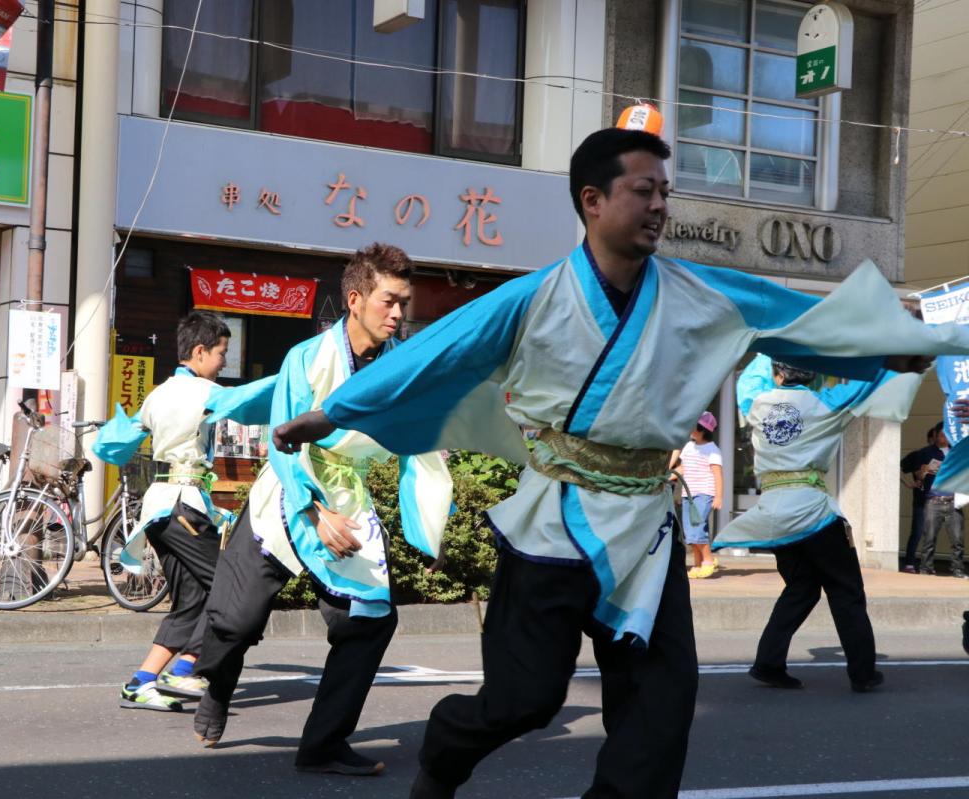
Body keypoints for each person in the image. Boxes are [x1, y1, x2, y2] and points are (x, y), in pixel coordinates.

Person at [270, 126, 963, 799]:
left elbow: (796, 320)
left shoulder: (704, 293)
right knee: (524, 699)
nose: (660, 205)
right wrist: (328, 414)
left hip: (645, 528)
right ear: (593, 200)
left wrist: (890, 346)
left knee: (661, 709)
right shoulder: (532, 297)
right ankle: (446, 750)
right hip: (553, 520)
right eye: (643, 190)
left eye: (665, 192)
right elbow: (431, 355)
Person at [191, 244, 454, 776]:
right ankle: (218, 685)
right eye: (388, 301)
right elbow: (283, 441)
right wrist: (312, 512)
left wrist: (428, 530)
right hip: (286, 494)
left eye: (403, 303)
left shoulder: (402, 368)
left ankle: (323, 744)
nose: (398, 314)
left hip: (346, 496)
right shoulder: (307, 358)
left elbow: (420, 447)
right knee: (234, 624)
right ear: (355, 300)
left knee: (370, 620)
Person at [712, 355, 923, 692]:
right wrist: (900, 356)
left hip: (774, 513)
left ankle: (768, 663)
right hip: (813, 512)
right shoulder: (827, 403)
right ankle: (862, 673)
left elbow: (749, 380)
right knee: (846, 591)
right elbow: (867, 384)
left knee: (802, 587)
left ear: (778, 373)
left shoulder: (756, 402)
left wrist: (772, 348)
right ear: (813, 376)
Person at [118, 311, 275, 712]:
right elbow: (253, 401)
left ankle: (141, 683)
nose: (224, 362)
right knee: (230, 587)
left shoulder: (157, 394)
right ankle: (186, 668)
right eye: (221, 353)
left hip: (160, 507)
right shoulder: (204, 392)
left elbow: (115, 441)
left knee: (191, 599)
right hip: (183, 505)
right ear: (200, 351)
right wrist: (302, 384)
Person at [671, 412, 723, 579]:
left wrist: (718, 497)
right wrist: (667, 477)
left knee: (698, 529)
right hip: (688, 494)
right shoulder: (688, 447)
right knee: (690, 532)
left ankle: (708, 561)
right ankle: (697, 564)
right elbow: (683, 468)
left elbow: (717, 474)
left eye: (693, 427)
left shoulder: (712, 450)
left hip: (704, 494)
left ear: (703, 430)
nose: (690, 430)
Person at [913, 425, 967, 577]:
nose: (944, 438)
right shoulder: (926, 453)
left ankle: (957, 570)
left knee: (957, 540)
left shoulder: (957, 452)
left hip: (953, 500)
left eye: (947, 435)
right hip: (933, 501)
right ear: (936, 435)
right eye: (941, 435)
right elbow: (918, 478)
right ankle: (926, 568)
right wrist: (922, 472)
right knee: (929, 538)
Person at [899, 424, 940, 573]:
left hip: (937, 500)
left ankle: (927, 565)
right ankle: (909, 563)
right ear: (931, 439)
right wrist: (908, 483)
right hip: (921, 500)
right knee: (917, 531)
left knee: (931, 534)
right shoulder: (918, 455)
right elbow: (898, 468)